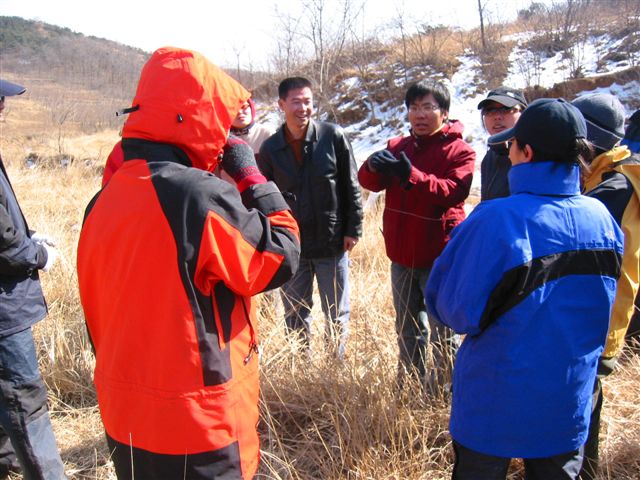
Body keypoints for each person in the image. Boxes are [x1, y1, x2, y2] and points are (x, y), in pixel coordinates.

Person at [77, 47, 300, 480]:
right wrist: (251, 176)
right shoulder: (196, 196)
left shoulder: (102, 200)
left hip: (125, 419)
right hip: (198, 427)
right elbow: (281, 254)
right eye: (221, 121)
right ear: (198, 118)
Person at [425, 98, 624, 480]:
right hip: (568, 397)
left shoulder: (496, 219)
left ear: (526, 152)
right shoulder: (601, 217)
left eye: (513, 145)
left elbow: (454, 309)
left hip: (494, 399)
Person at [358, 80, 476, 386]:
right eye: (413, 107)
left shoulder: (460, 151)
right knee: (407, 328)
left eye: (428, 107)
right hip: (401, 255)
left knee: (443, 331)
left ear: (444, 112)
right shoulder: (399, 147)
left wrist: (410, 175)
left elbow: (453, 191)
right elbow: (369, 183)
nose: (419, 114)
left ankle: (444, 390)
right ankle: (409, 386)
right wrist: (372, 165)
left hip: (440, 256)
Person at [258, 77, 362, 359]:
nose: (303, 108)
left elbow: (350, 185)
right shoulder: (270, 149)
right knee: (294, 313)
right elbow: (264, 198)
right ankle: (301, 366)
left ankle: (335, 367)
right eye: (296, 102)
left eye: (308, 102)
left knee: (336, 313)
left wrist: (353, 228)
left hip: (332, 241)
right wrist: (272, 238)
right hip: (293, 246)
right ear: (281, 105)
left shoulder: (332, 136)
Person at [571, 93, 640, 480]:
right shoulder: (615, 177)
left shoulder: (610, 191)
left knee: (581, 415)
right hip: (606, 319)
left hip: (596, 325)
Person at [0, 79, 67, 479]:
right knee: (23, 397)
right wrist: (40, 255)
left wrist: (28, 236)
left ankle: (7, 462)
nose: (3, 107)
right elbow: (5, 246)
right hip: (4, 309)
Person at [477, 86, 527, 201]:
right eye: (490, 111)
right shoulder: (490, 156)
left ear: (524, 113)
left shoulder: (533, 153)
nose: (497, 117)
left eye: (506, 109)